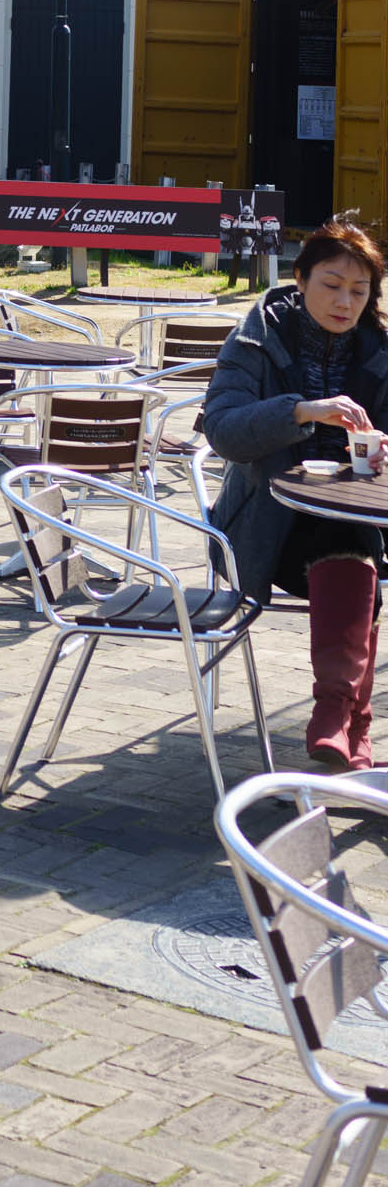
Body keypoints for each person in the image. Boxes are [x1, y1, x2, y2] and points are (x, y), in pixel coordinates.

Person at [202, 214, 388, 770]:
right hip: (265, 525)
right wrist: (302, 411)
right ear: (300, 279)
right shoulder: (257, 338)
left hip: (361, 523)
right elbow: (223, 430)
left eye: (359, 291)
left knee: (353, 539)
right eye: (331, 285)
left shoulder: (378, 350)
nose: (345, 302)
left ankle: (341, 717)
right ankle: (347, 718)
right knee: (355, 551)